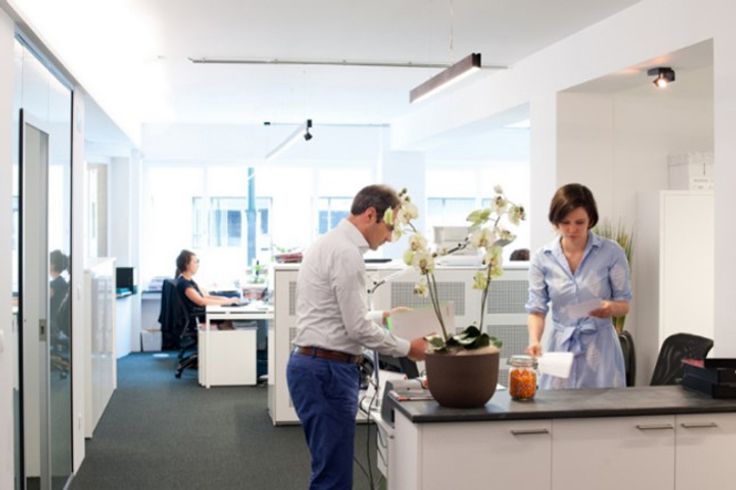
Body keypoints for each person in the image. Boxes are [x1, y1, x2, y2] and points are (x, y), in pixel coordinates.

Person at [287, 184, 428, 489]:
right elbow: (357, 329)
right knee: (333, 478)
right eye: (389, 227)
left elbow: (335, 315)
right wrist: (409, 348)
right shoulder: (346, 253)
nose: (390, 237)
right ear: (371, 214)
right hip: (326, 371)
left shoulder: (329, 243)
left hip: (314, 366)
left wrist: (384, 315)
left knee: (329, 469)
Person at [525, 183, 632, 389]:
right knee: (557, 404)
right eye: (565, 222)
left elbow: (624, 304)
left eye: (579, 222)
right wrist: (534, 340)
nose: (572, 229)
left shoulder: (611, 252)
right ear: (555, 221)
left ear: (591, 219)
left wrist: (610, 308)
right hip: (560, 349)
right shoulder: (542, 258)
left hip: (600, 347)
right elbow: (536, 310)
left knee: (603, 405)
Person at [174, 250, 240, 327]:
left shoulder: (188, 280)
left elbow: (204, 296)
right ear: (187, 264)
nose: (198, 265)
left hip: (201, 313)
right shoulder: (184, 284)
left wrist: (224, 299)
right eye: (195, 262)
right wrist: (228, 302)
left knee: (229, 319)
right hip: (199, 316)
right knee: (229, 319)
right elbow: (201, 301)